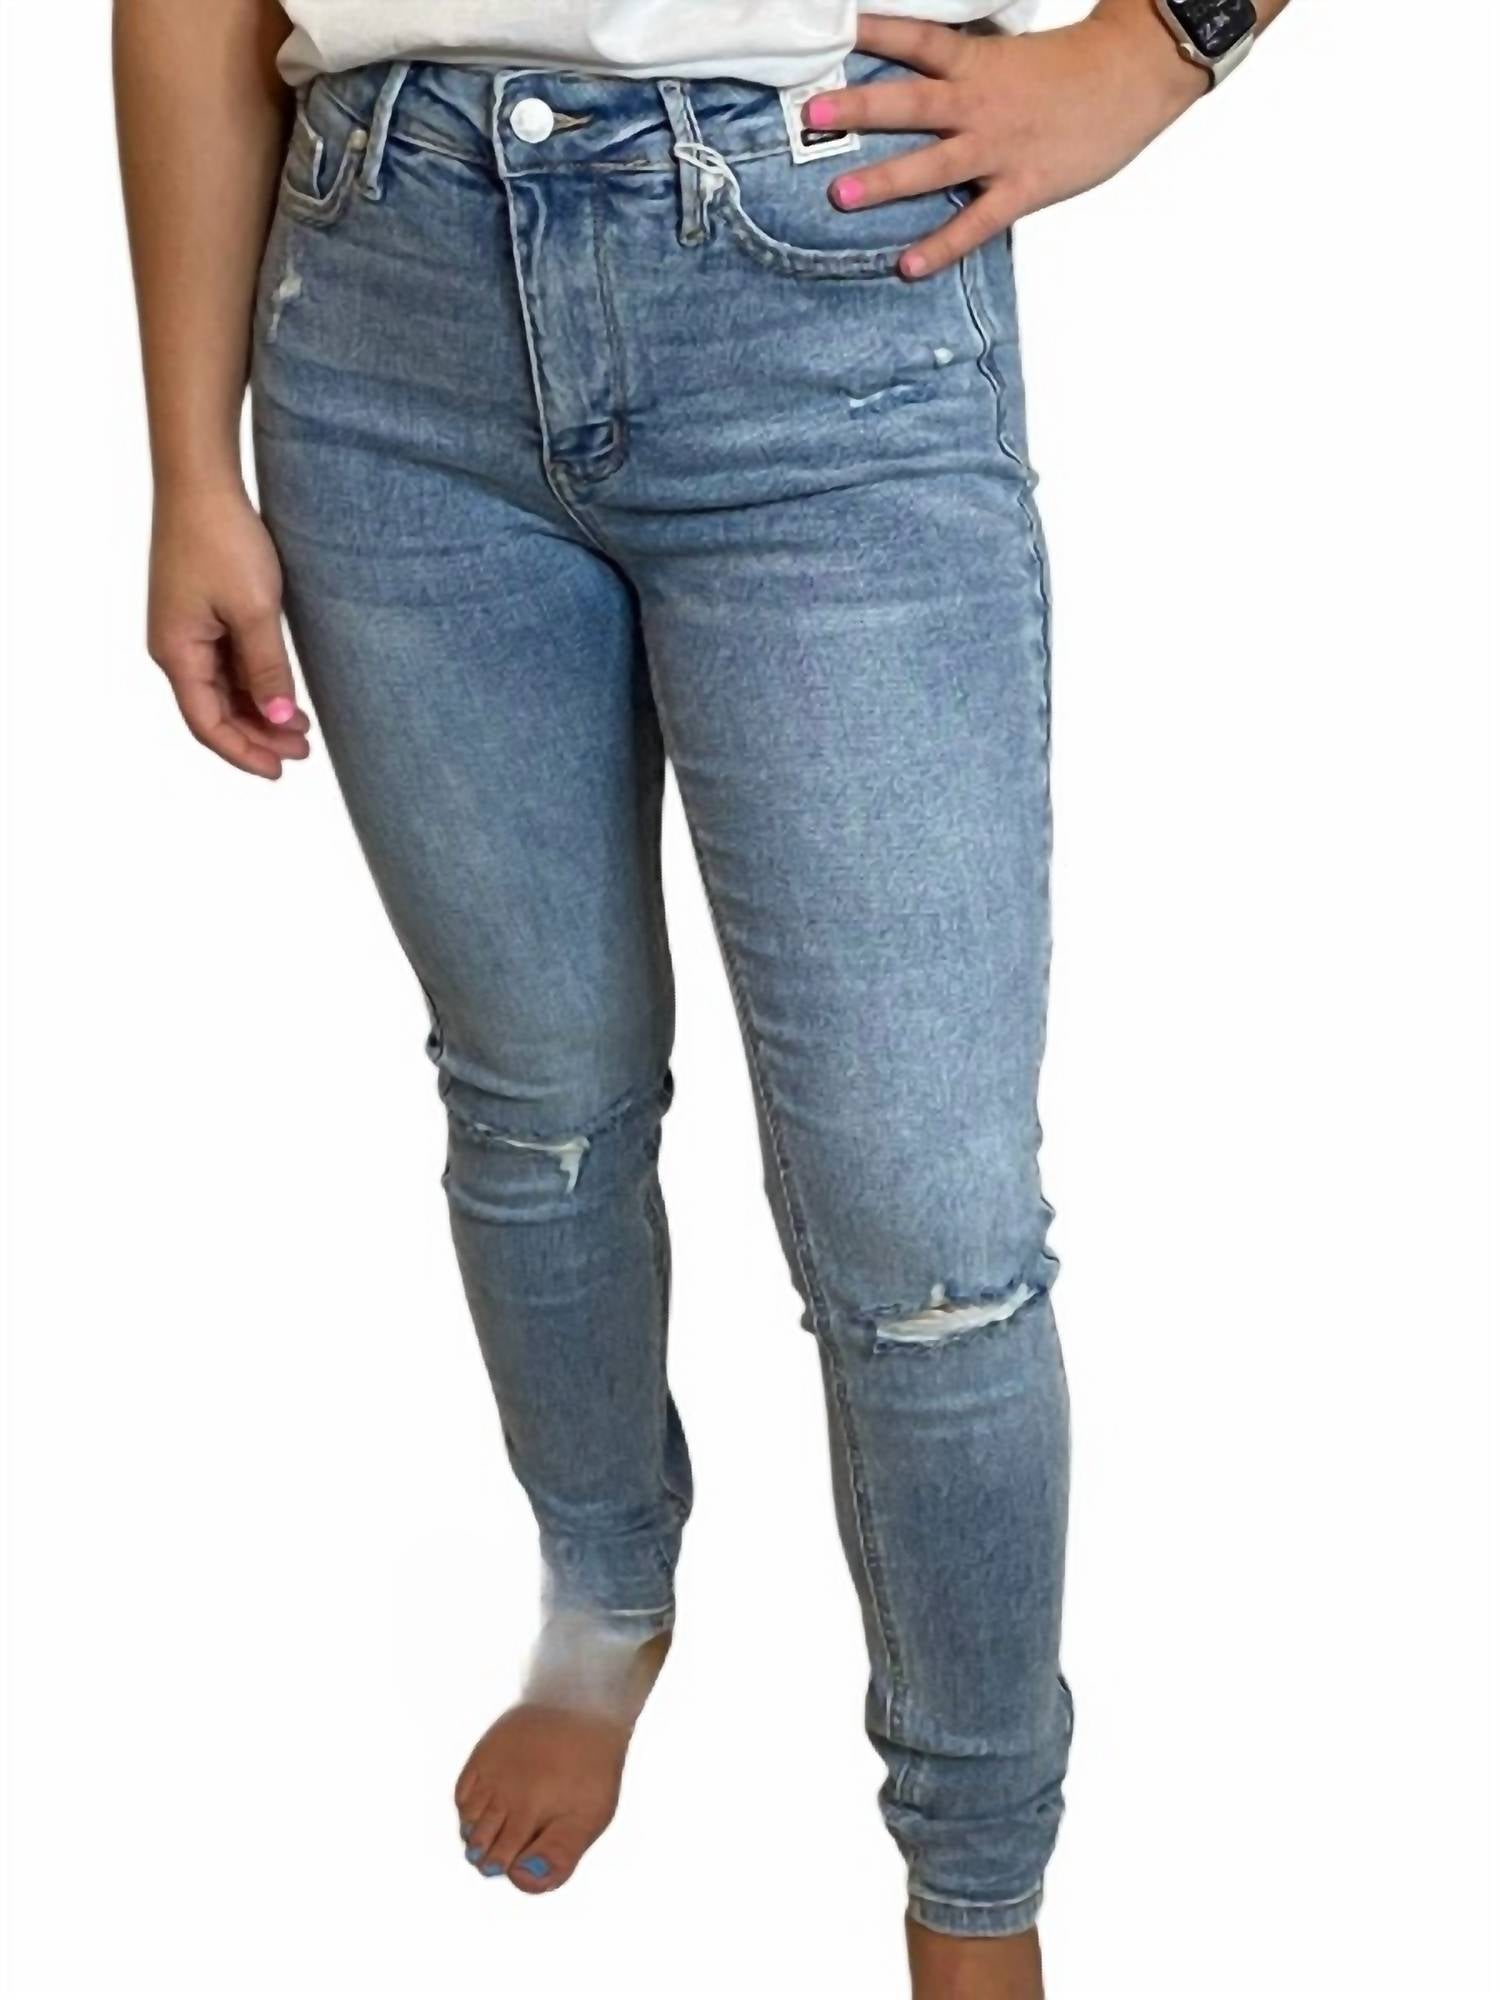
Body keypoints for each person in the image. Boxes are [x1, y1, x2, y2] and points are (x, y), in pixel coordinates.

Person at [114, 3, 1288, 1994]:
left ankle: (975, 1895)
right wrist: (183, 464)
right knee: (538, 1103)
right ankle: (602, 1606)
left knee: (929, 1245)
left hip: (826, 287)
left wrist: (1163, 49)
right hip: (384, 309)